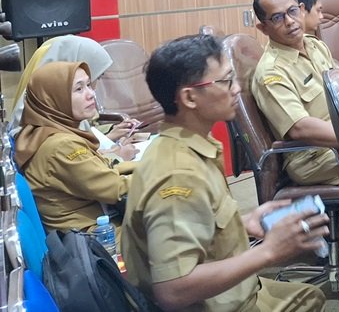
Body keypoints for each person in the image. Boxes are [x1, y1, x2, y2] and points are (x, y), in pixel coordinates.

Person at [120, 34, 328, 312]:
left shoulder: (186, 145)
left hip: (239, 291)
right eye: (225, 81)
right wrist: (269, 252)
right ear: (190, 97)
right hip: (217, 305)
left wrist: (241, 222)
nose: (236, 88)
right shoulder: (177, 175)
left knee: (312, 296)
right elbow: (173, 289)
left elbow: (196, 217)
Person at [250, 0, 339, 186]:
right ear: (264, 28)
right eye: (277, 18)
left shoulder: (315, 45)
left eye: (292, 11)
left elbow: (337, 91)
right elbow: (300, 128)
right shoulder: (271, 72)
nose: (289, 21)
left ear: (301, 9)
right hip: (315, 156)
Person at [15, 60, 131, 232]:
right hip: (98, 241)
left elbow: (102, 168)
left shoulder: (43, 132)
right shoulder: (60, 145)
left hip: (96, 229)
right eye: (79, 89)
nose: (91, 94)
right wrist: (165, 174)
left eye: (89, 85)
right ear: (53, 98)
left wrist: (148, 166)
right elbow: (115, 188)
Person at [10, 35, 140, 155]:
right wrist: (116, 155)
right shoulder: (45, 133)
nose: (92, 91)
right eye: (80, 87)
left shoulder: (55, 113)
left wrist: (110, 135)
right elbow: (80, 164)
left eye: (89, 83)